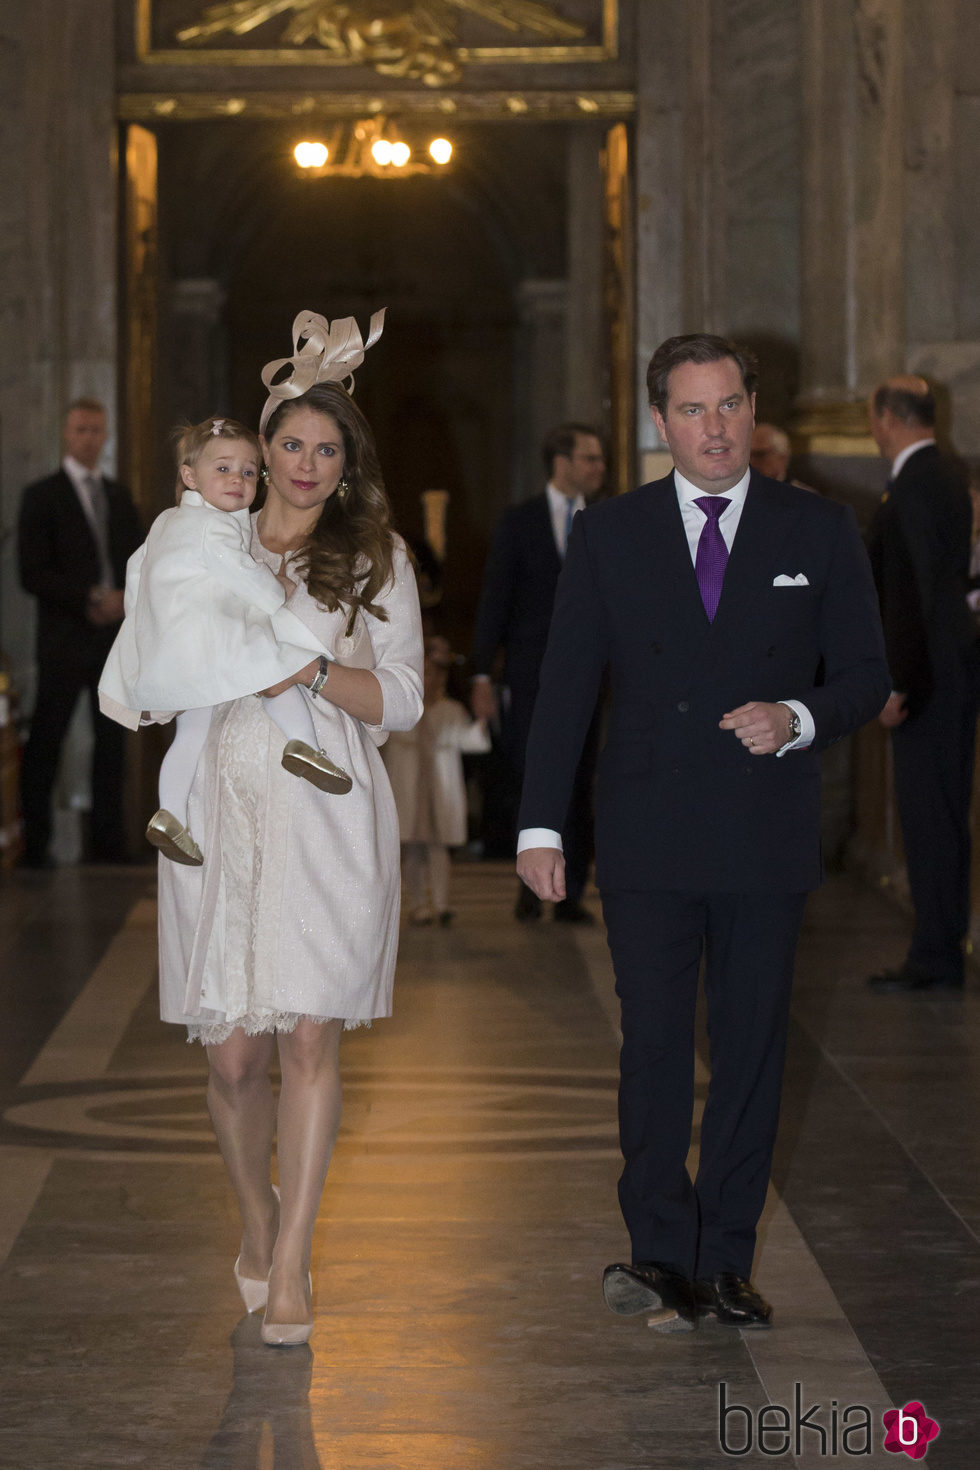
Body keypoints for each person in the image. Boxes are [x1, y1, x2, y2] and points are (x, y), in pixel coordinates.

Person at [517, 334, 890, 1332]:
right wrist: (539, 824)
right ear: (658, 423)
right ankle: (654, 1252)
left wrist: (796, 717)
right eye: (691, 410)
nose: (714, 428)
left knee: (750, 1046)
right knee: (649, 1046)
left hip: (762, 833)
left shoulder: (818, 530)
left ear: (751, 406)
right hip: (644, 831)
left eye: (728, 406)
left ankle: (725, 1259)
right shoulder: (609, 534)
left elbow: (865, 674)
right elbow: (562, 688)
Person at [154, 309, 424, 1347]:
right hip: (212, 809)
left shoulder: (372, 558)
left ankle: (297, 1253)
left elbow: (399, 696)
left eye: (329, 449)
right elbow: (152, 649)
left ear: (347, 462)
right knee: (230, 1057)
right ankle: (255, 1215)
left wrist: (313, 670)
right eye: (293, 444)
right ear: (259, 449)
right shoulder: (197, 538)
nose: (309, 464)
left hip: (323, 810)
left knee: (310, 1032)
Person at [99, 416, 352, 866]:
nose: (237, 479)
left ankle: (169, 815)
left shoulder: (164, 522)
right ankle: (305, 744)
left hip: (174, 650)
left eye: (249, 471)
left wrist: (145, 624)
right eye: (223, 469)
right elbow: (241, 572)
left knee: (190, 732)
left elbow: (137, 572)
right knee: (279, 665)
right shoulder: (212, 527)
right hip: (211, 639)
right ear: (190, 475)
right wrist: (278, 590)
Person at [865, 375, 978, 992]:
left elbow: (912, 597)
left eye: (873, 418)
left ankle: (936, 955)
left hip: (928, 678)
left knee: (931, 821)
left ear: (887, 417)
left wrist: (895, 684)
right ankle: (939, 945)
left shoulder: (915, 483)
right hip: (950, 670)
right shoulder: (947, 474)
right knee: (944, 817)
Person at [470, 422, 606, 923]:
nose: (599, 469)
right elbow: (495, 601)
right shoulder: (519, 521)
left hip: (593, 680)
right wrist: (482, 675)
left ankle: (571, 894)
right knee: (532, 777)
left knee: (580, 779)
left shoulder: (609, 520)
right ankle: (529, 887)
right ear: (562, 462)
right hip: (530, 678)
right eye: (590, 458)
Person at [17, 398, 144, 866]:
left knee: (112, 743)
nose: (89, 438)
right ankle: (36, 845)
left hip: (113, 637)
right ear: (66, 435)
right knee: (47, 739)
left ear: (105, 436)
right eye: (81, 430)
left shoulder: (117, 495)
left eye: (96, 430)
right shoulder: (42, 495)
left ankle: (108, 844)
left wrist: (122, 601)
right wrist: (90, 597)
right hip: (64, 638)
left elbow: (138, 561)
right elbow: (31, 573)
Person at [382, 633, 491, 925]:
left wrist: (481, 721)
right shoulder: (402, 708)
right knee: (413, 848)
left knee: (438, 847)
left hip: (437, 789)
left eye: (433, 674)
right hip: (409, 787)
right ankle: (419, 904)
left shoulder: (450, 710)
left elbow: (470, 741)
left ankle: (442, 904)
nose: (429, 680)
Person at [749, 422, 817, 493]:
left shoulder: (804, 497)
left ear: (782, 457)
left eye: (759, 455)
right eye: (747, 455)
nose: (751, 461)